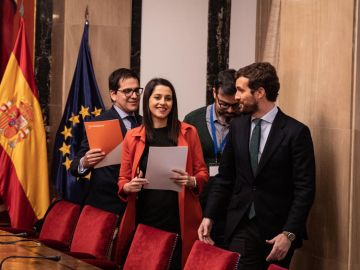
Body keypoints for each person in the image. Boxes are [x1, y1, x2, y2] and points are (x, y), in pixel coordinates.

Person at [198, 62, 315, 269]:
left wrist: (288, 234)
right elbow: (226, 177)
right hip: (241, 225)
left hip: (278, 233)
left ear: (260, 92)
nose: (236, 97)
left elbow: (305, 189)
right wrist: (209, 215)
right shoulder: (238, 126)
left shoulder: (296, 132)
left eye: (241, 90)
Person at [117, 78, 208, 268]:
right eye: (157, 97)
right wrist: (128, 185)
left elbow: (202, 173)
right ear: (147, 101)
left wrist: (192, 180)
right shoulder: (132, 136)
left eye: (168, 98)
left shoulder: (189, 132)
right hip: (144, 215)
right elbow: (123, 179)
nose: (163, 103)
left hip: (178, 216)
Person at [70, 68, 142, 214]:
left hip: (139, 208)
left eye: (137, 90)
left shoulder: (145, 124)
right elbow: (75, 166)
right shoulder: (99, 123)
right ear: (113, 94)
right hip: (107, 207)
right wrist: (85, 162)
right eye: (127, 91)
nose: (134, 96)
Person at [184, 69, 240, 248]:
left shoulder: (245, 121)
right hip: (201, 197)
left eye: (235, 105)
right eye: (224, 105)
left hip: (232, 200)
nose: (230, 110)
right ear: (214, 92)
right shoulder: (193, 119)